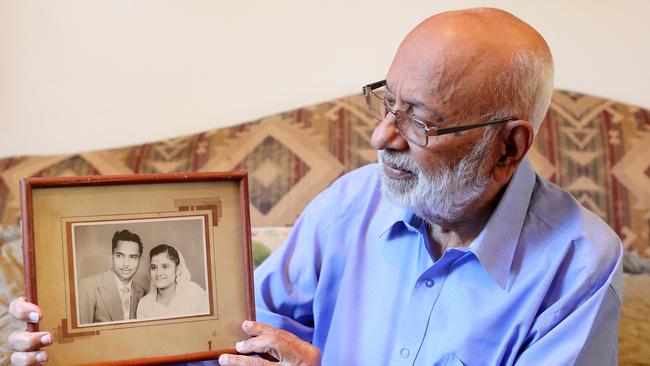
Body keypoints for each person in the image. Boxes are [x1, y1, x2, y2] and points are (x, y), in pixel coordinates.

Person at [7, 7, 622, 366]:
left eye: (421, 122)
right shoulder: (350, 206)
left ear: (508, 148)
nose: (382, 137)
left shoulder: (579, 266)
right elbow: (222, 336)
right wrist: (67, 343)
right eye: (387, 102)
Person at [78, 229, 147, 324]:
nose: (126, 264)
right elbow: (83, 335)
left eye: (133, 257)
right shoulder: (89, 287)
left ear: (140, 259)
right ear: (112, 256)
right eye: (120, 255)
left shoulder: (142, 293)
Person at [136, 244, 209, 319]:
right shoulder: (144, 304)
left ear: (177, 270)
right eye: (154, 267)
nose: (158, 273)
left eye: (165, 267)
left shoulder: (194, 293)